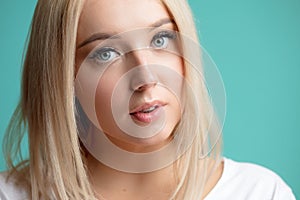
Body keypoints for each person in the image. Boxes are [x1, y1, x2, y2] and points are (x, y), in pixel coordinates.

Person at [0, 0, 296, 199]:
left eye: (160, 39)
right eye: (106, 53)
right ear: (63, 79)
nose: (146, 77)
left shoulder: (258, 192)